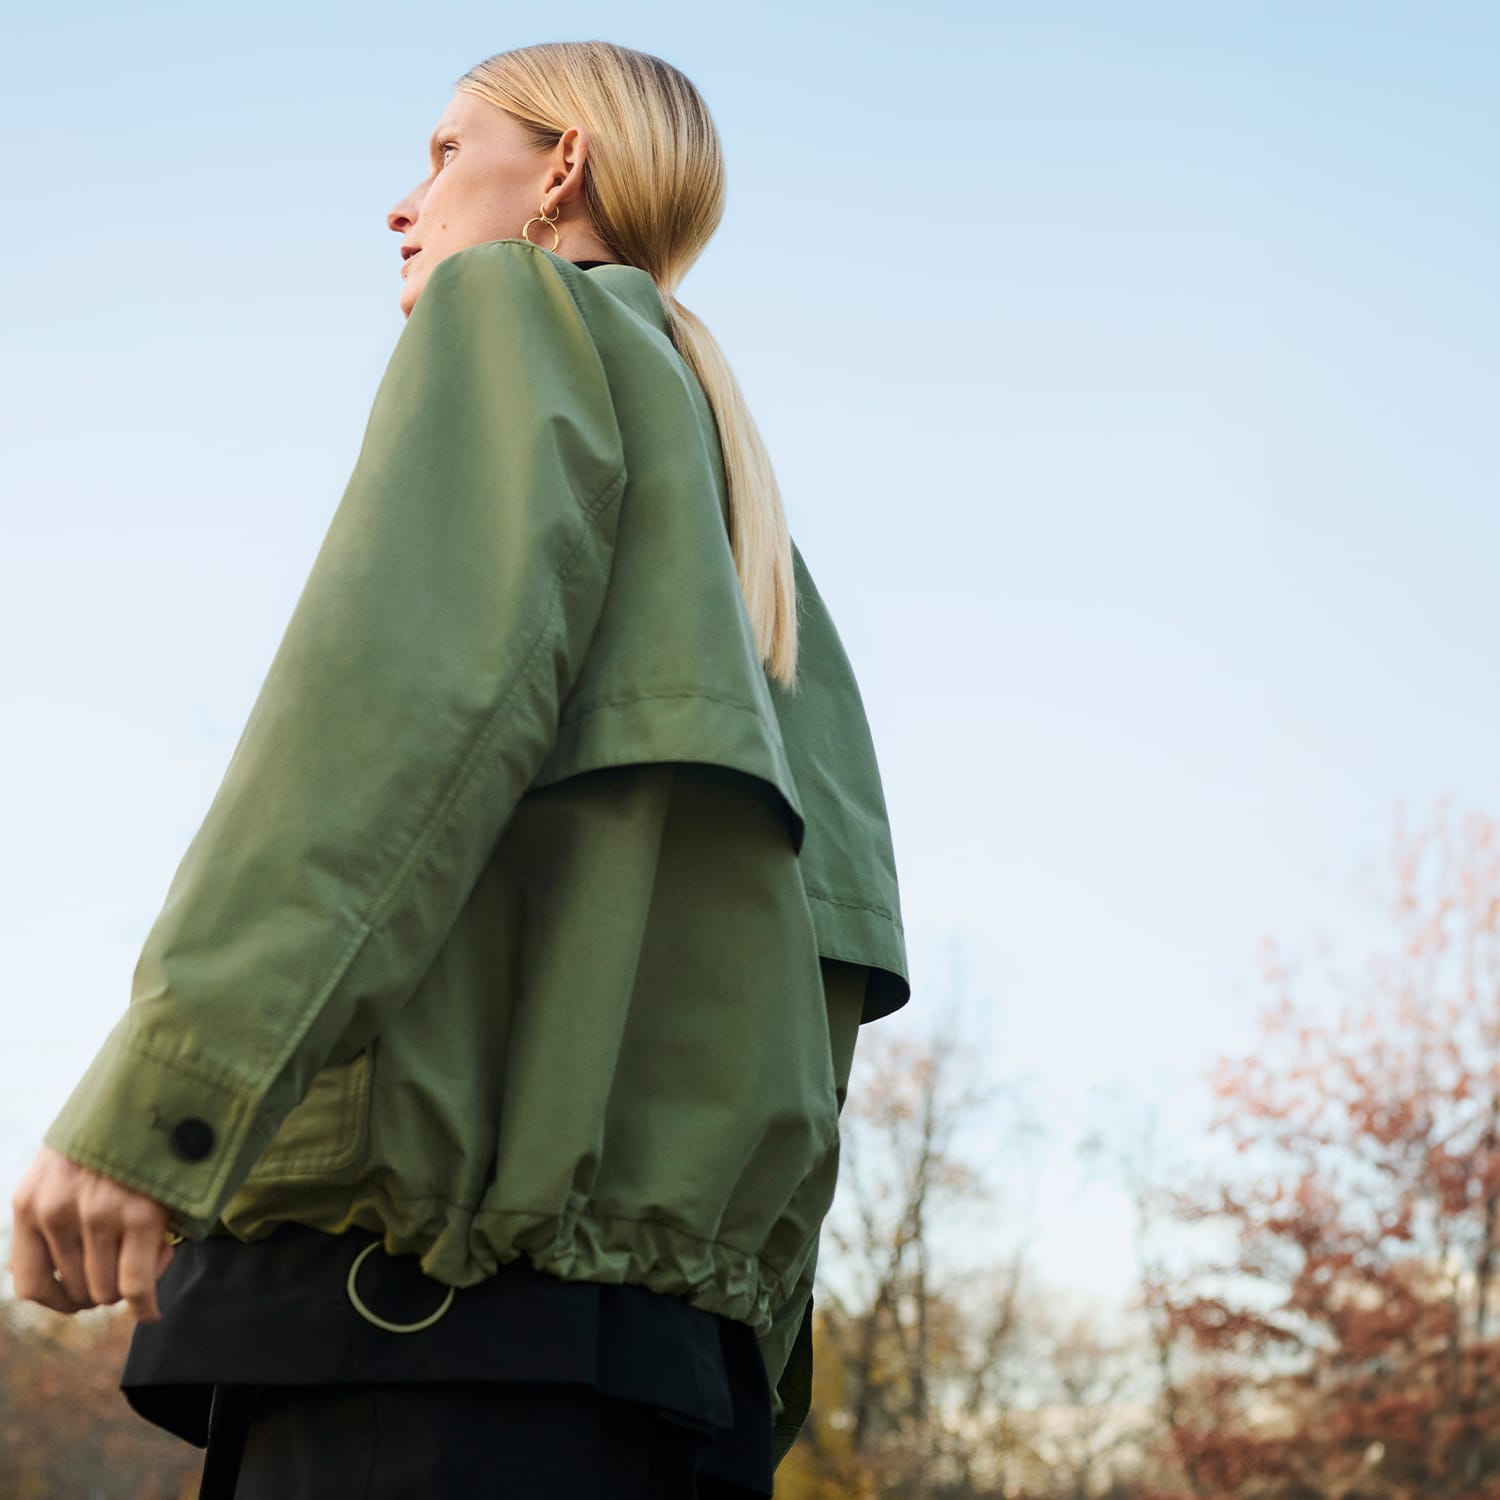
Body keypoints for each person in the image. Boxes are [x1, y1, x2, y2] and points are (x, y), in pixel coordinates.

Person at [7, 38, 908, 1499]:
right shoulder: (757, 553)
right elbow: (838, 974)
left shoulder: (509, 316)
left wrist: (163, 1106)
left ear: (563, 169)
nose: (403, 201)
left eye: (442, 152)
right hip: (672, 1379)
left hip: (422, 1336)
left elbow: (384, 735)